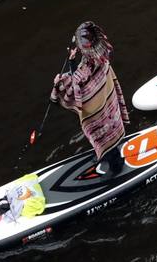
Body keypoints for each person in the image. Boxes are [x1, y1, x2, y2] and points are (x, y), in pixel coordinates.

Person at [51, 21, 130, 176]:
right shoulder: (102, 57)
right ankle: (108, 154)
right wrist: (73, 62)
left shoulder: (88, 67)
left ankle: (116, 167)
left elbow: (76, 87)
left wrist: (59, 83)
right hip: (109, 108)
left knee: (105, 140)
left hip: (98, 114)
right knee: (109, 138)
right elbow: (80, 76)